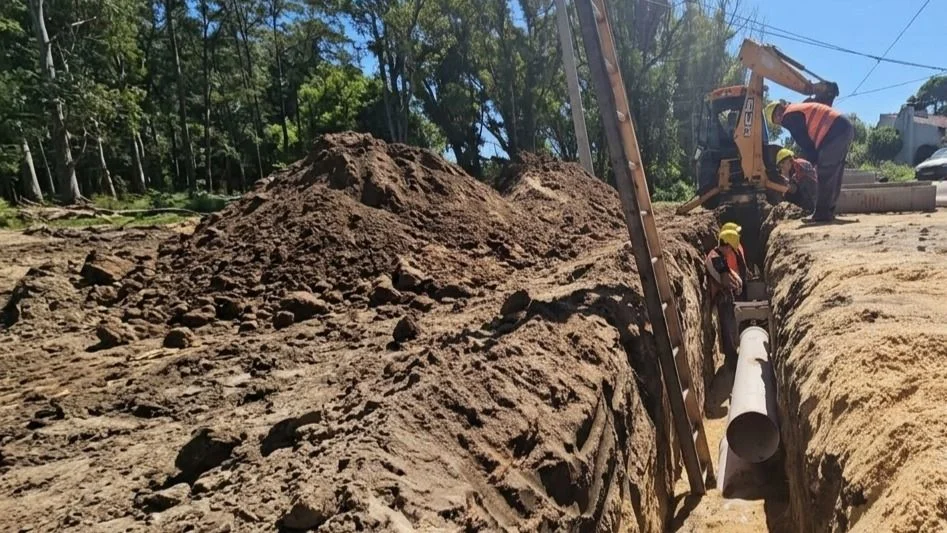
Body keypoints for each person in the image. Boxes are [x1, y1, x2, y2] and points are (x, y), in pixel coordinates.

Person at [764, 100, 854, 222]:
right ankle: (828, 212)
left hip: (832, 131)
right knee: (835, 173)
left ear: (778, 115)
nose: (780, 123)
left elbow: (805, 143)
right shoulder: (796, 109)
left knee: (825, 172)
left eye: (777, 121)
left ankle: (821, 214)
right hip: (844, 127)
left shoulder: (789, 116)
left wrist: (813, 160)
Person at [705, 224, 747, 371]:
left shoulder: (718, 253)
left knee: (730, 325)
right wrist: (735, 286)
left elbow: (729, 271)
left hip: (725, 295)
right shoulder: (716, 258)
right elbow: (724, 279)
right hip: (722, 298)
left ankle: (733, 354)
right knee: (728, 326)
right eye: (731, 247)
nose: (732, 250)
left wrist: (739, 280)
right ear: (727, 244)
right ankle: (731, 359)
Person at [777, 148, 818, 213]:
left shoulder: (797, 169)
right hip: (791, 204)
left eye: (782, 164)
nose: (782, 167)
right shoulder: (779, 179)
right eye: (789, 161)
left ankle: (811, 209)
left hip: (807, 194)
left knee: (804, 182)